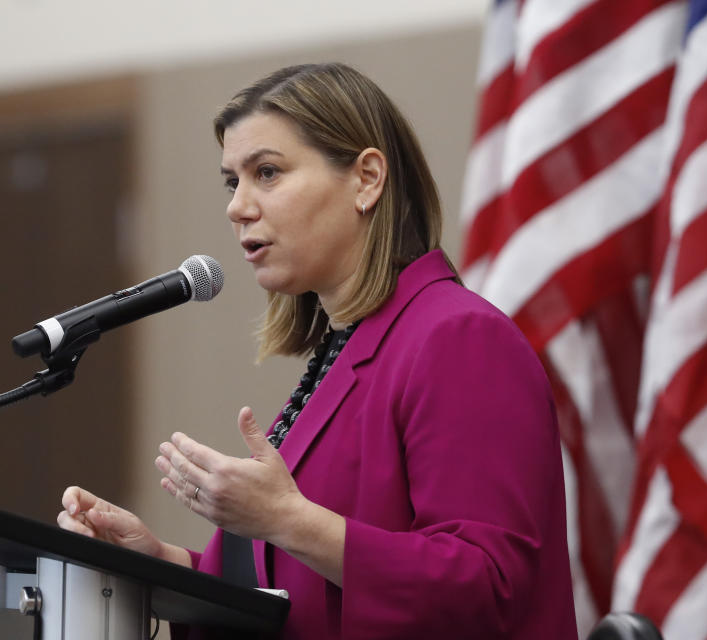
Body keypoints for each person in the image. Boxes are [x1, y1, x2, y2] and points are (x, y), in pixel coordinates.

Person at [57, 62, 578, 639]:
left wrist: (287, 518)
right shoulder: (347, 350)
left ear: (367, 179)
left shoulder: (458, 339)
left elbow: (489, 587)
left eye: (268, 173)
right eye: (234, 181)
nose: (238, 207)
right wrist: (161, 566)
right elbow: (292, 587)